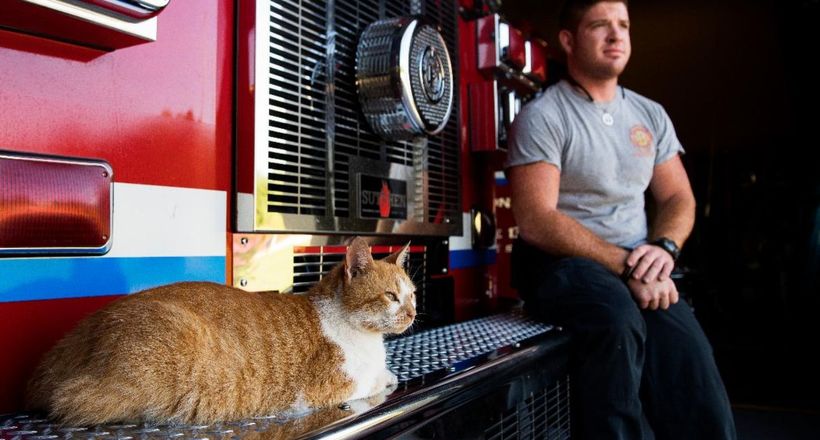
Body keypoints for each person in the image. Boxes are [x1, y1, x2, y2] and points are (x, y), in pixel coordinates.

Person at [505, 0, 737, 438]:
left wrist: (663, 250)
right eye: (600, 26)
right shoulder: (544, 115)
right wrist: (630, 266)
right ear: (569, 41)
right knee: (616, 320)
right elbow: (536, 219)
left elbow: (677, 197)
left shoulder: (650, 115)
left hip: (636, 266)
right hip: (561, 266)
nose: (616, 36)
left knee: (689, 355)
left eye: (623, 25)